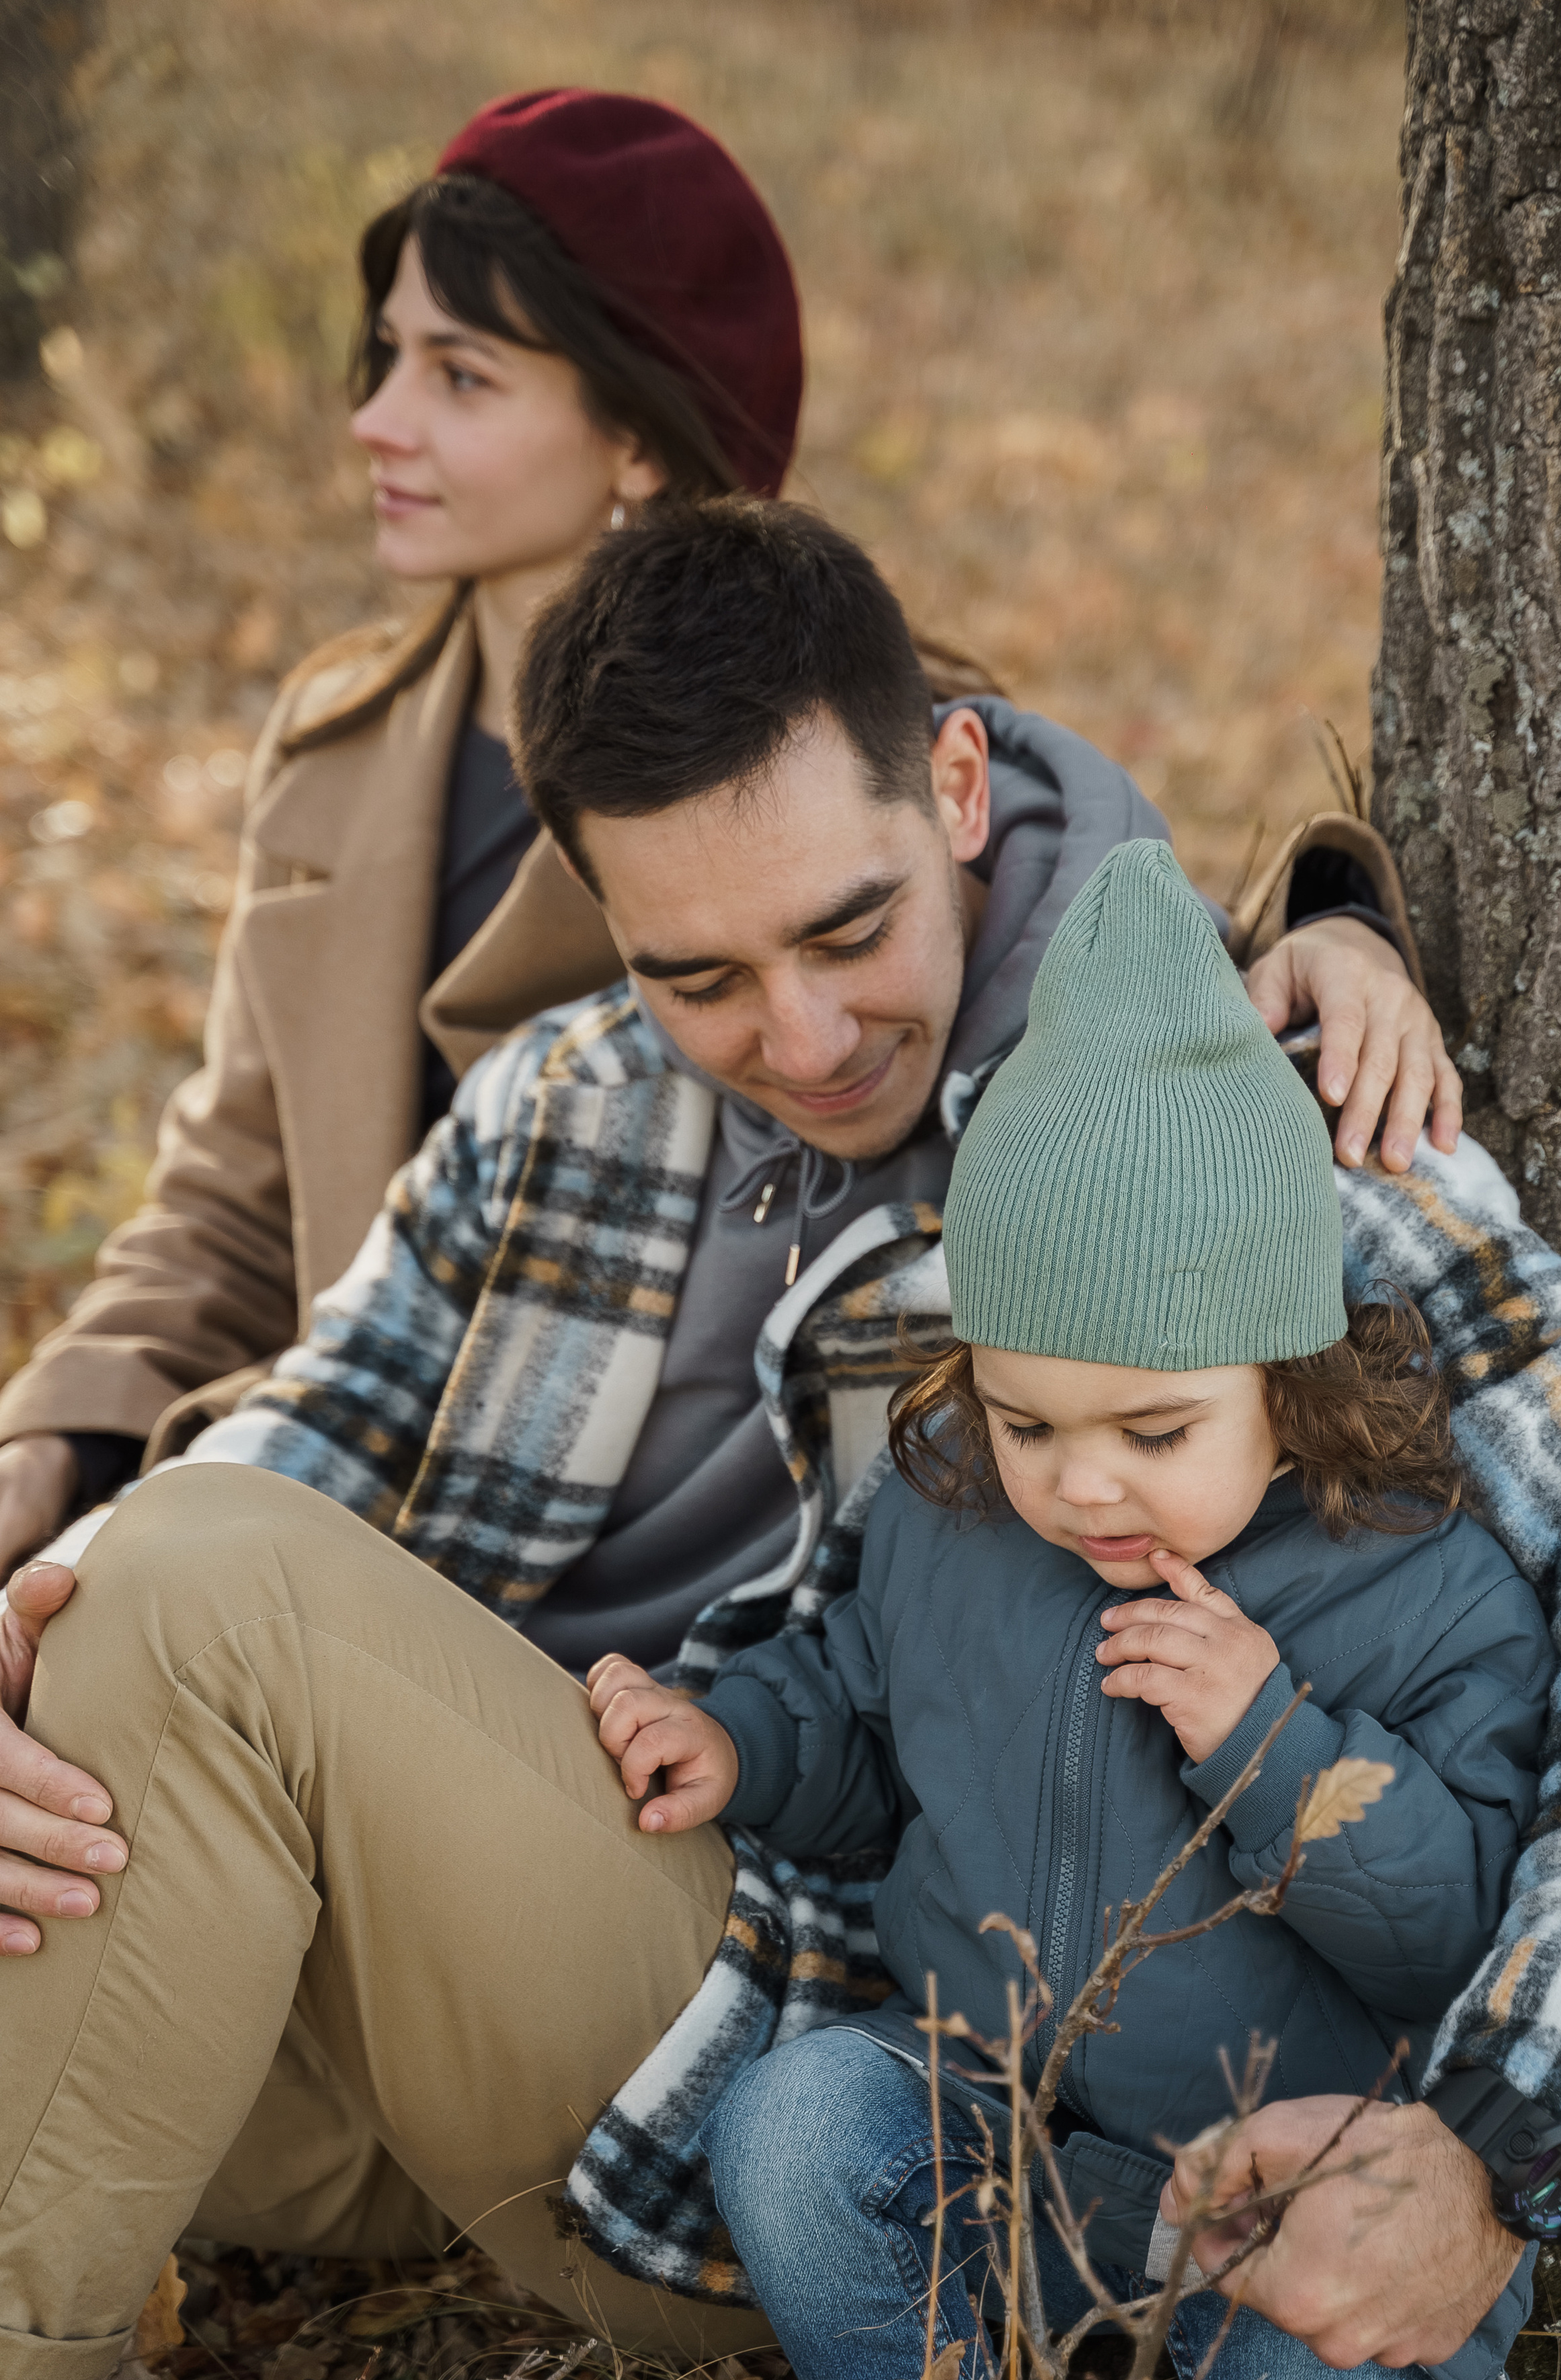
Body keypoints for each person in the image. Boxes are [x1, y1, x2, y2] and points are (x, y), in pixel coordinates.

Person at [0, 506, 1561, 2380]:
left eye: (847, 931)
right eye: (699, 976)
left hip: (795, 2059)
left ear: (961, 784)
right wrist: (54, 1626)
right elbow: (298, 1446)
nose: (802, 1042)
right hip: (451, 1976)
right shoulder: (551, 1108)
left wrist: (1519, 2144)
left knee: (192, 1571)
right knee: (140, 1585)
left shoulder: (1205, 1137)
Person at [0, 85, 1433, 1599]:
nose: (376, 418)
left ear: (630, 431)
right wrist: (66, 1440)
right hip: (354, 1449)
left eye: (461, 375)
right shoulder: (339, 747)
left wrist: (1332, 928)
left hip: (653, 1568)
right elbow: (229, 1196)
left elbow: (1097, 954)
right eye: (386, 359)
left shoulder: (831, 751)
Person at [602, 837, 1555, 2380]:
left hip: (1287, 2199)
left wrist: (1266, 1741)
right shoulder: (954, 1518)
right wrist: (743, 1741)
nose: (1080, 1481)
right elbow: (858, 1708)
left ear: (1288, 1374)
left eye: (1155, 1427)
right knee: (790, 2130)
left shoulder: (1422, 1587)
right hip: (990, 2144)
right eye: (1025, 1417)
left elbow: (1461, 1941)